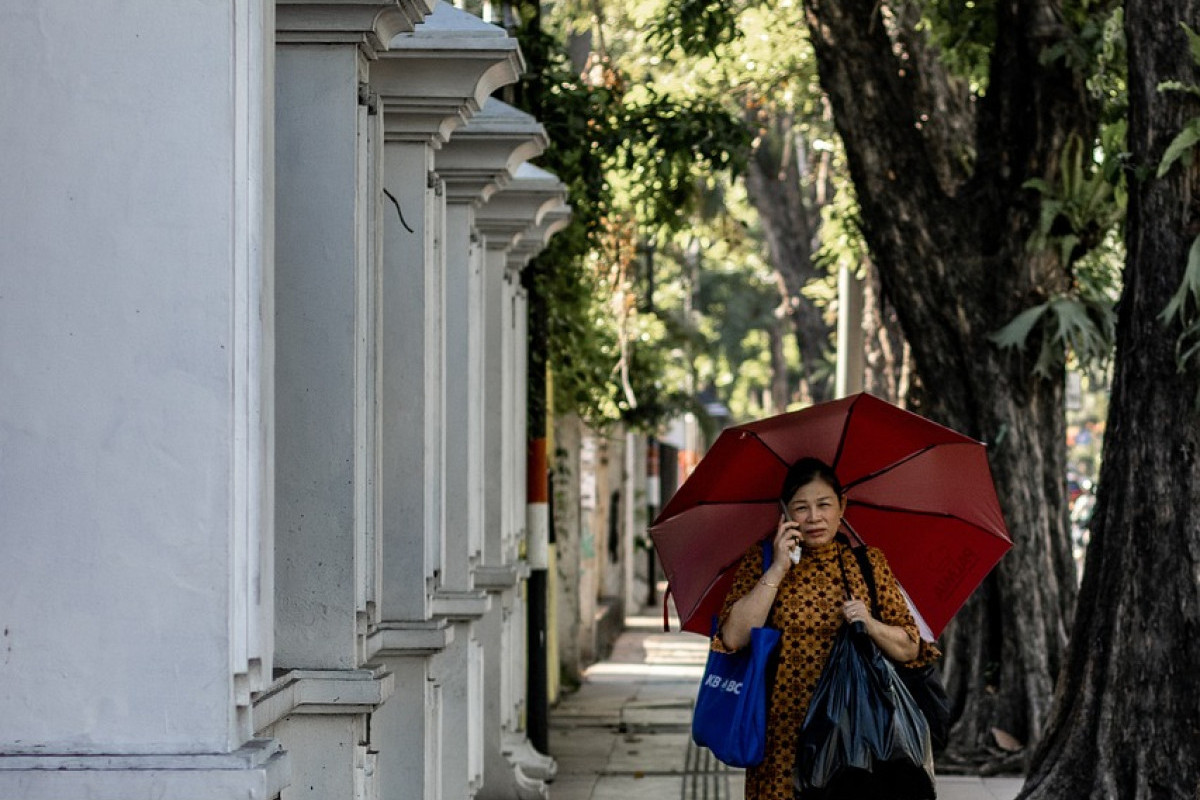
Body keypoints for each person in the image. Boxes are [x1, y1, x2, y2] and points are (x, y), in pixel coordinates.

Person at [712, 457, 939, 800]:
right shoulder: (760, 562)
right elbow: (732, 637)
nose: (814, 517)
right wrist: (776, 569)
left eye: (824, 505)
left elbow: (910, 647)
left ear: (842, 506)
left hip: (856, 741)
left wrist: (870, 623)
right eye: (801, 507)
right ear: (784, 512)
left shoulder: (867, 563)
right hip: (781, 738)